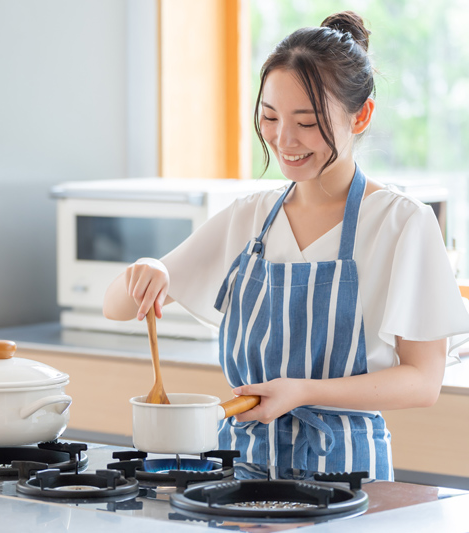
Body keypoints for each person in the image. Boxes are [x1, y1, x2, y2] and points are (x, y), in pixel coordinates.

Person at [102, 11, 469, 481]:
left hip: (348, 478)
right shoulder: (249, 218)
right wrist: (148, 268)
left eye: (308, 122)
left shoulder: (402, 223)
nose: (285, 140)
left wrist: (304, 391)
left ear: (362, 116)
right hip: (241, 474)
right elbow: (117, 305)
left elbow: (422, 382)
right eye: (270, 118)